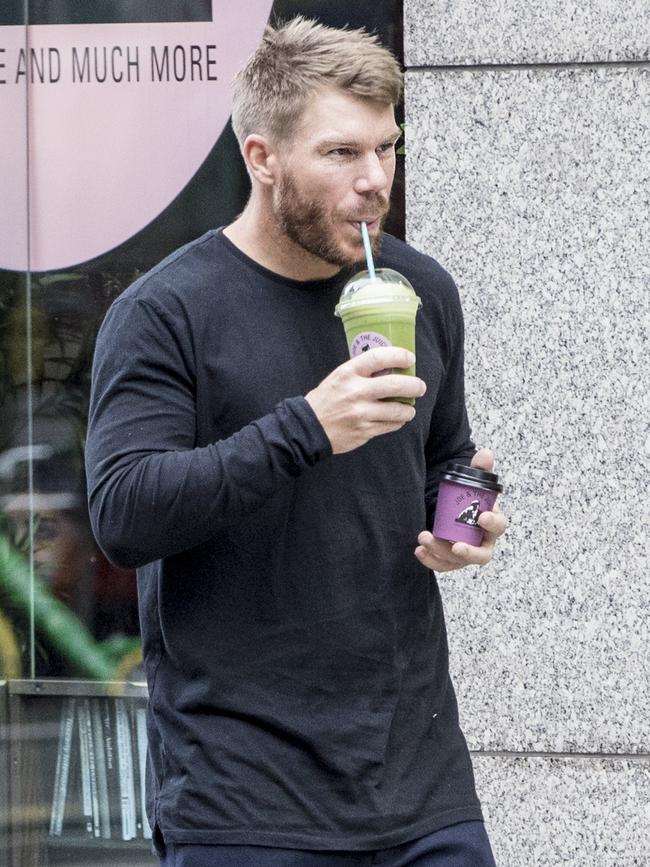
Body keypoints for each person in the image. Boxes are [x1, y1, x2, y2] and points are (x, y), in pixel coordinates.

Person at [85, 16, 506, 867]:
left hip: (421, 786)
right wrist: (307, 426)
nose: (374, 180)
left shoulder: (420, 286)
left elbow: (444, 451)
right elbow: (124, 512)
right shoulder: (168, 313)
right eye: (341, 154)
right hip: (245, 800)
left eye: (386, 149)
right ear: (262, 158)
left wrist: (467, 508)